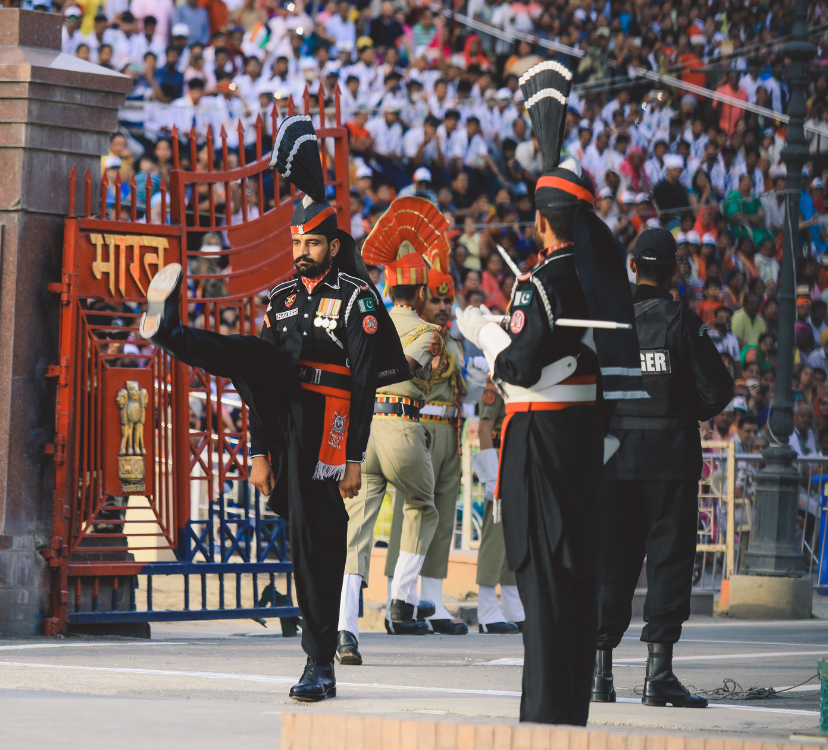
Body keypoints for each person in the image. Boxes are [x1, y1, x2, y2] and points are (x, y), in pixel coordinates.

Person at [139, 116, 408, 702]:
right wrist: (260, 452)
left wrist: (354, 456)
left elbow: (365, 382)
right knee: (247, 356)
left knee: (317, 546)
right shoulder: (281, 298)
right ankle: (170, 331)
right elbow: (257, 384)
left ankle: (320, 662)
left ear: (333, 246)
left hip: (330, 425)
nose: (301, 253)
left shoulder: (356, 296)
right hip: (285, 415)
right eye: (296, 244)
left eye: (311, 244)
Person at [457, 62, 644, 726]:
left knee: (540, 588)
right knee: (573, 584)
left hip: (539, 442)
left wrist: (481, 330)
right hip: (586, 440)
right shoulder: (601, 281)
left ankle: (543, 724)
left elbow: (523, 368)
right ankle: (567, 715)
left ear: (541, 225)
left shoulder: (540, 284)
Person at [592, 228, 733, 709]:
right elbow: (720, 391)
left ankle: (598, 675)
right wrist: (677, 410)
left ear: (633, 267)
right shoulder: (682, 321)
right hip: (670, 458)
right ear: (675, 269)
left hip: (614, 457)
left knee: (612, 561)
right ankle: (659, 674)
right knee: (670, 562)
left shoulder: (607, 323)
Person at [336, 197, 446, 666]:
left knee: (355, 532)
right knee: (424, 506)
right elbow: (418, 370)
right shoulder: (429, 330)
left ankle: (344, 630)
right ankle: (401, 599)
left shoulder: (368, 323)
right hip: (402, 426)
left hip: (364, 430)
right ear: (420, 293)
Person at [383, 265, 472, 635]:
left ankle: (430, 600)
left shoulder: (450, 339)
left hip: (451, 430)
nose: (444, 306)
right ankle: (398, 598)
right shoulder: (419, 334)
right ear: (421, 297)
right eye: (436, 299)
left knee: (443, 517)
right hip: (421, 426)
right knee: (413, 515)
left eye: (448, 300)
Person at [472, 379, 524, 633]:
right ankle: (487, 609)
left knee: (514, 536)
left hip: (518, 461)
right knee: (494, 538)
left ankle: (512, 606)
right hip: (500, 464)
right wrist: (492, 476)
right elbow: (484, 429)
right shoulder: (497, 383)